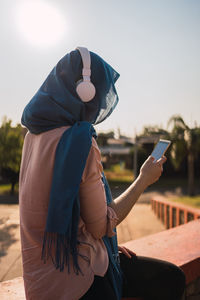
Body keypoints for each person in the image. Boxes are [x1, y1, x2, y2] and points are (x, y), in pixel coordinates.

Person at [19, 47, 186, 300]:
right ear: (85, 91)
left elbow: (55, 212)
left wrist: (106, 247)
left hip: (38, 284)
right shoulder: (80, 141)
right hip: (77, 283)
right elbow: (100, 227)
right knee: (172, 278)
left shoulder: (33, 136)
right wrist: (143, 179)